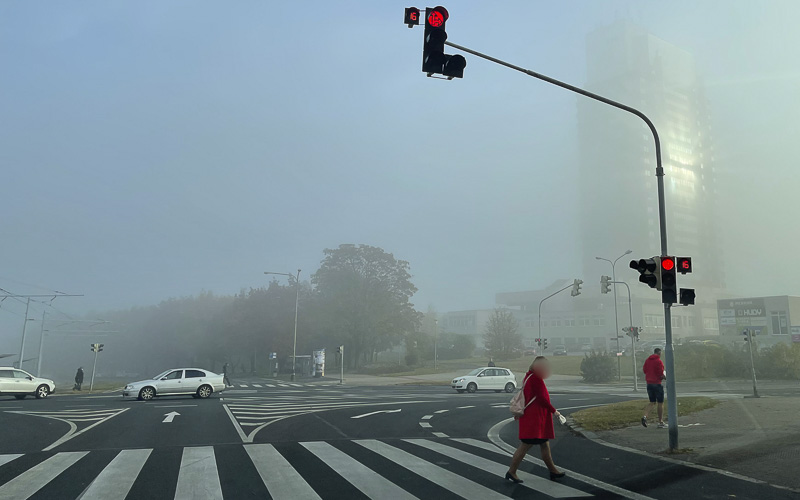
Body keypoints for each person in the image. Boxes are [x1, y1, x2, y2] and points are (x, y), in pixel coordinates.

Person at [506, 356, 565, 483]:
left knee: (544, 443)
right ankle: (512, 471)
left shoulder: (529, 376)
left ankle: (552, 470)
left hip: (535, 418)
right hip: (534, 419)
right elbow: (542, 399)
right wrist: (554, 411)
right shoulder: (536, 379)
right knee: (526, 445)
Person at [642, 347, 667, 429]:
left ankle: (645, 416)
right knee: (660, 402)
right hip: (657, 383)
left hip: (649, 384)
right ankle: (660, 421)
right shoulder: (659, 361)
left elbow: (645, 370)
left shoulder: (647, 360)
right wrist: (664, 377)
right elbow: (660, 373)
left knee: (652, 402)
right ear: (659, 353)